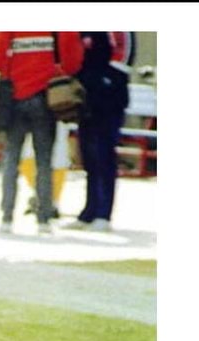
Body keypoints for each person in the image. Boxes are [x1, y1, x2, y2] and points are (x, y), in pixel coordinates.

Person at [0, 32, 83, 234]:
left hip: (15, 96)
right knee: (44, 161)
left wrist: (14, 72)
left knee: (11, 159)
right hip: (45, 97)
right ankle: (43, 218)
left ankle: (6, 217)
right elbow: (73, 61)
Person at [65, 32, 136, 231]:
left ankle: (104, 213)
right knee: (88, 155)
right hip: (87, 96)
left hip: (110, 97)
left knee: (104, 154)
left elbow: (125, 52)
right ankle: (89, 210)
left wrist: (107, 79)